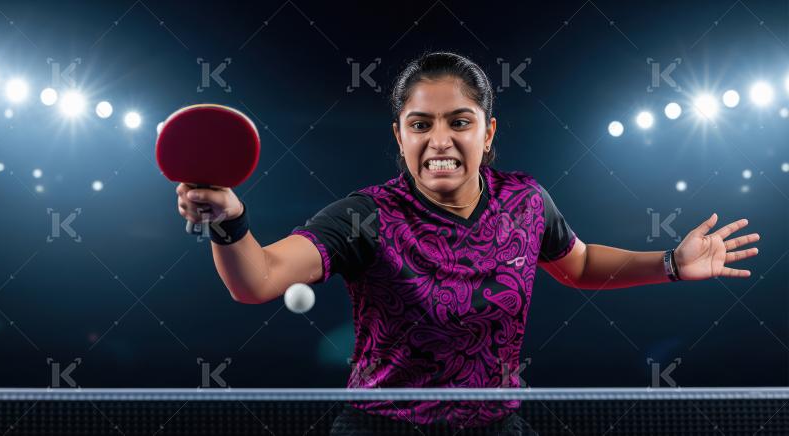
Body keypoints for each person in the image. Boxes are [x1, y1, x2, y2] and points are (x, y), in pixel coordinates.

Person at [175, 52, 760, 435]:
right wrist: (230, 220)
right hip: (383, 428)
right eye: (420, 123)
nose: (440, 140)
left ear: (488, 130)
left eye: (459, 121)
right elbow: (258, 281)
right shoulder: (366, 215)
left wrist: (671, 264)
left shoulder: (526, 202)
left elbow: (578, 265)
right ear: (399, 134)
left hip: (496, 424)